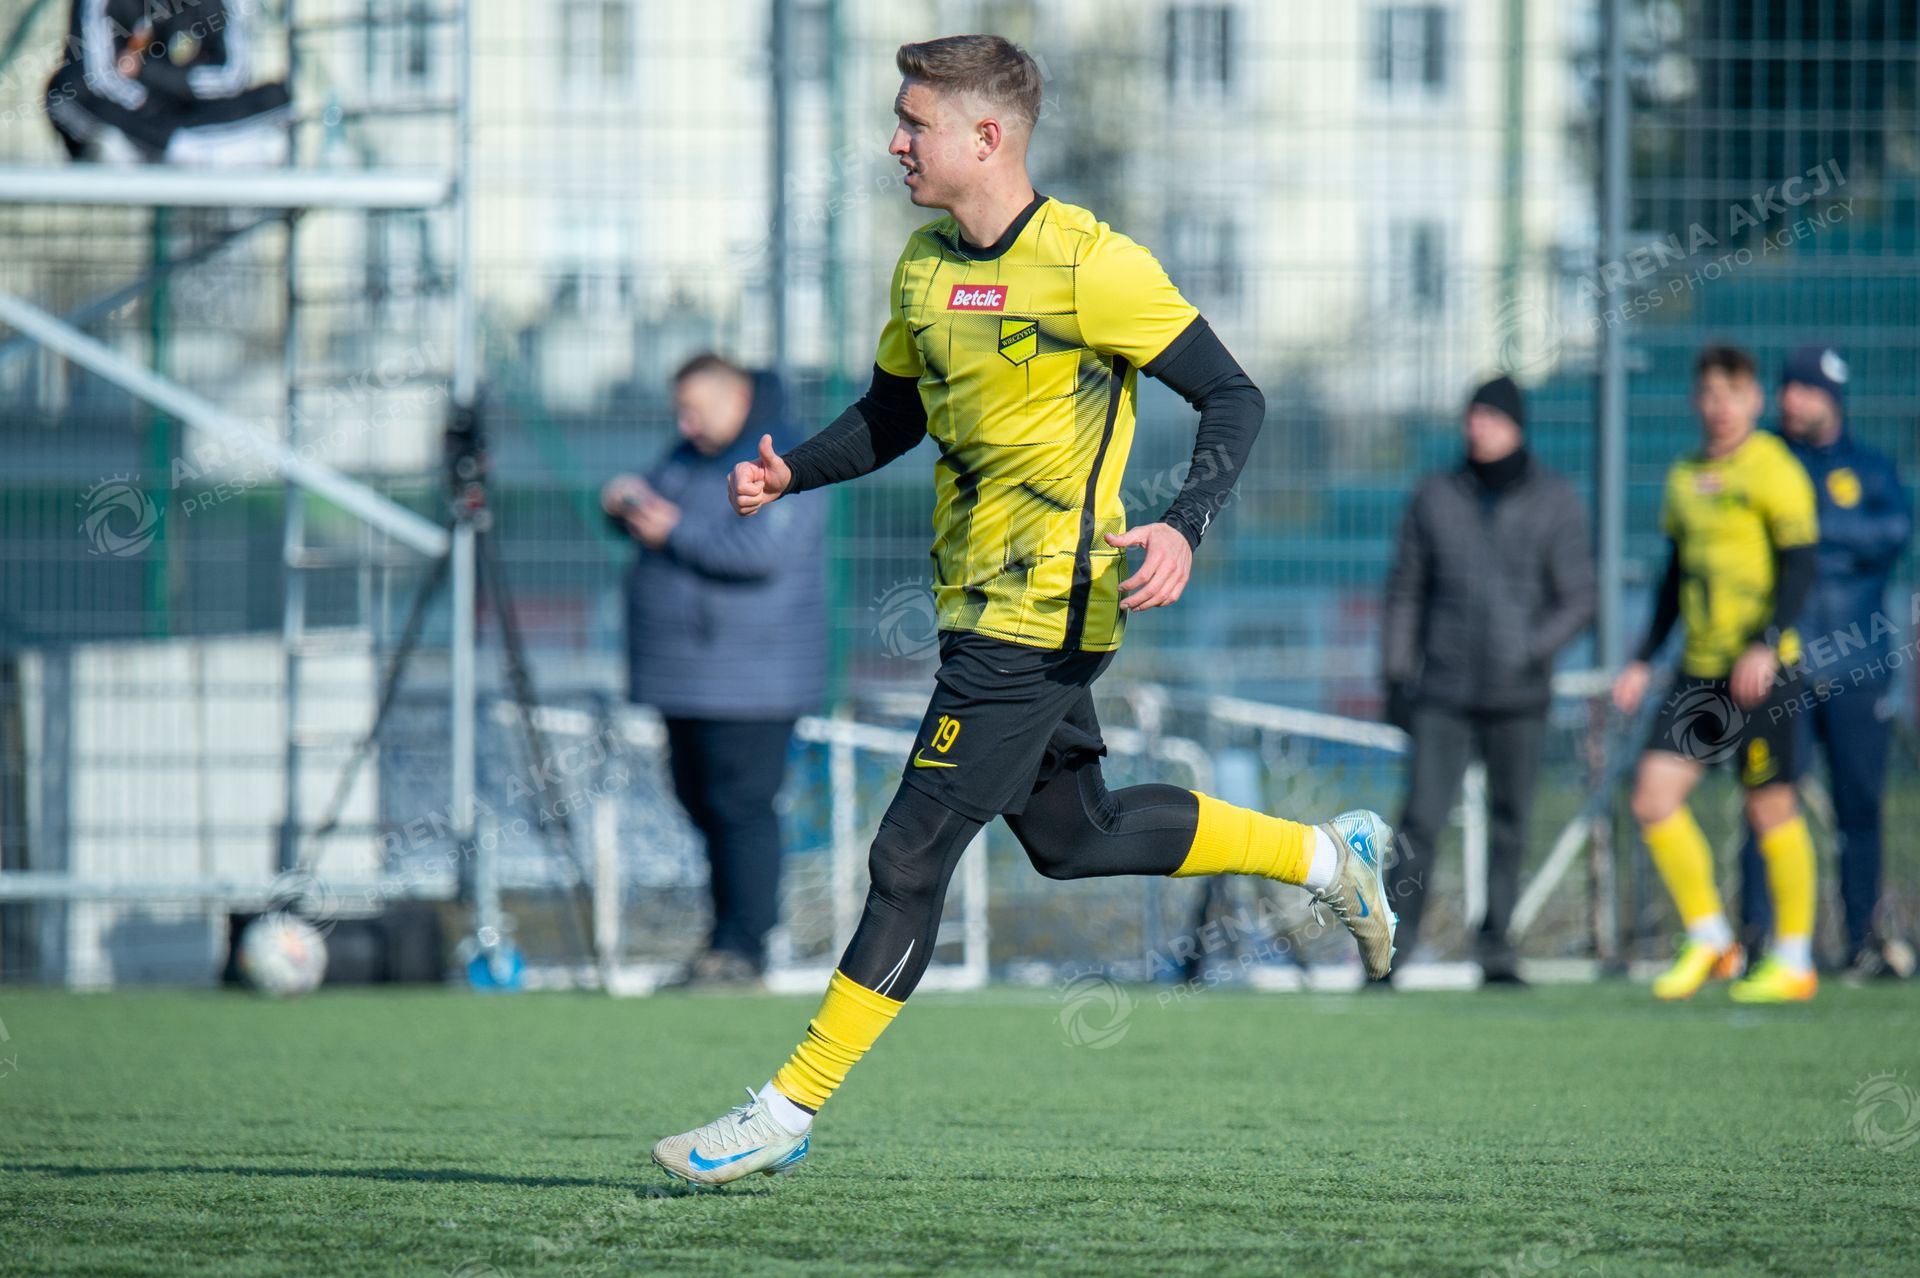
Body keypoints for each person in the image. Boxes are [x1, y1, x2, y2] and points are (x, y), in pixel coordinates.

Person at [651, 34, 1397, 1186]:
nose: (895, 143)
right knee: (1071, 836)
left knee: (908, 855)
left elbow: (1232, 395)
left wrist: (1183, 524)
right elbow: (893, 414)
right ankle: (1325, 855)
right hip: (973, 606)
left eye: (915, 123)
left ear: (986, 137)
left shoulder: (1091, 263)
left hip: (1048, 608)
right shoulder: (922, 266)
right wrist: (790, 472)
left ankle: (784, 1111)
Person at [602, 354, 827, 989]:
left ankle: (743, 948)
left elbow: (761, 551)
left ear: (736, 399)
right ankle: (723, 941)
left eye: (695, 411)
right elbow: (655, 511)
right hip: (685, 676)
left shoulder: (787, 459)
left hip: (753, 679)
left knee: (741, 807)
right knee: (701, 802)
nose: (685, 424)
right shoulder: (685, 456)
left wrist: (671, 530)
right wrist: (623, 504)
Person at [1611, 346, 1821, 1004]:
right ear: (1695, 401)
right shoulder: (1684, 477)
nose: (1720, 407)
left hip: (1761, 672)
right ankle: (1710, 938)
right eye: (1709, 394)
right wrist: (1643, 658)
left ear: (1754, 400)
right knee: (1652, 798)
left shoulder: (1775, 468)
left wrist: (1765, 643)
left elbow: (1801, 566)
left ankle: (1794, 958)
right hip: (1698, 671)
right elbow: (1674, 577)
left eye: (1732, 394)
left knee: (1770, 809)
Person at [1380, 375, 1595, 985]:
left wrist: (1529, 649)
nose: (1478, 427)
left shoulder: (1554, 500)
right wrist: (1396, 672)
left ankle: (1497, 949)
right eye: (1472, 416)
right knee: (1420, 822)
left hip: (1519, 694)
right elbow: (1405, 590)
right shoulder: (1435, 495)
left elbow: (1580, 598)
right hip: (1442, 692)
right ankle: (1390, 948)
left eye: (1491, 417)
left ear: (1516, 427)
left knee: (1510, 822)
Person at [1736, 347, 1913, 978]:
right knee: (1767, 803)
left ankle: (1862, 939)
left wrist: (1811, 531)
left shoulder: (1868, 469)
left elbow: (1892, 534)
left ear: (1832, 399)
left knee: (1859, 807)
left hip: (1857, 665)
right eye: (1787, 388)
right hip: (1781, 667)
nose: (1792, 400)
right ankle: (1760, 939)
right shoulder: (1764, 462)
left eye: (1806, 390)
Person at [46, 0, 289, 166]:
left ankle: (176, 148)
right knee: (66, 93)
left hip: (190, 113)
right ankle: (181, 148)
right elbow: (98, 77)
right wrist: (157, 100)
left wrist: (147, 71)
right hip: (133, 114)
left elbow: (230, 77)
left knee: (277, 99)